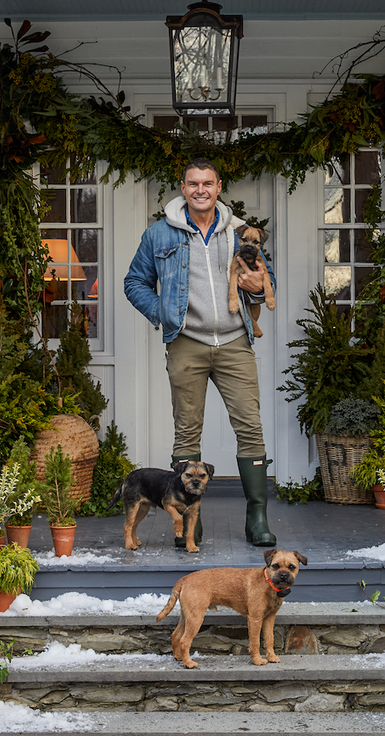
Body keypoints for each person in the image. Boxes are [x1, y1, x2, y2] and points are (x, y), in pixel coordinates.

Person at [124, 157, 277, 547]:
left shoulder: (238, 233)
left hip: (234, 342)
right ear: (183, 187)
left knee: (250, 427)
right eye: (193, 184)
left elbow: (263, 279)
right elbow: (135, 282)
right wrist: (162, 312)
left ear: (219, 187)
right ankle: (190, 518)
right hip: (186, 343)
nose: (200, 190)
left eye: (207, 183)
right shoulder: (160, 234)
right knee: (186, 431)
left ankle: (257, 517)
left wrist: (260, 287)